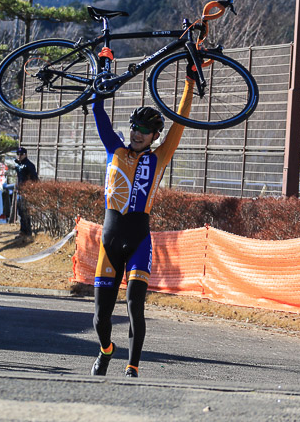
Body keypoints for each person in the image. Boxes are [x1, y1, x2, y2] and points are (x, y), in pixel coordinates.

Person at [90, 70, 195, 378]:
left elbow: (181, 122)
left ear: (154, 136)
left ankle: (132, 368)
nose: (137, 133)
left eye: (145, 130)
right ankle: (106, 350)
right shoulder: (115, 150)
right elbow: (98, 110)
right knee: (100, 318)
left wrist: (189, 83)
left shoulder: (159, 158)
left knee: (135, 304)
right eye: (135, 127)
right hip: (110, 241)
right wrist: (102, 73)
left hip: (138, 241)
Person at [14, 146, 38, 236]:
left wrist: (32, 189)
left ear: (25, 155)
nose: (19, 156)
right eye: (18, 154)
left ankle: (27, 230)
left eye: (21, 154)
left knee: (25, 211)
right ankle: (23, 230)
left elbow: (35, 179)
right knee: (20, 211)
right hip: (20, 190)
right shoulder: (17, 165)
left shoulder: (29, 165)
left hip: (26, 191)